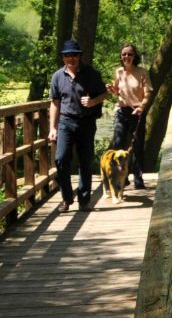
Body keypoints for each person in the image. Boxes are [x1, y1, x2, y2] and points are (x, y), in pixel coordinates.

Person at [49, 39, 108, 212]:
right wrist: (53, 127)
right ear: (63, 58)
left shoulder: (91, 73)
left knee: (85, 161)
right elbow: (54, 102)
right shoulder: (58, 76)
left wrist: (93, 101)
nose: (71, 58)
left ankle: (84, 200)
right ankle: (67, 198)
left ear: (80, 56)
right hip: (65, 122)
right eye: (67, 56)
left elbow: (105, 94)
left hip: (86, 122)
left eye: (74, 55)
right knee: (60, 159)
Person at [107, 43, 152, 189]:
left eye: (130, 54)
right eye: (124, 54)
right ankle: (122, 177)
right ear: (121, 56)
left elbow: (148, 93)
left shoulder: (142, 72)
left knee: (137, 145)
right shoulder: (119, 72)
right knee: (118, 143)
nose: (126, 57)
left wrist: (141, 107)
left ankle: (138, 178)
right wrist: (112, 89)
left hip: (137, 111)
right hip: (121, 110)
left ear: (135, 56)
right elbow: (117, 92)